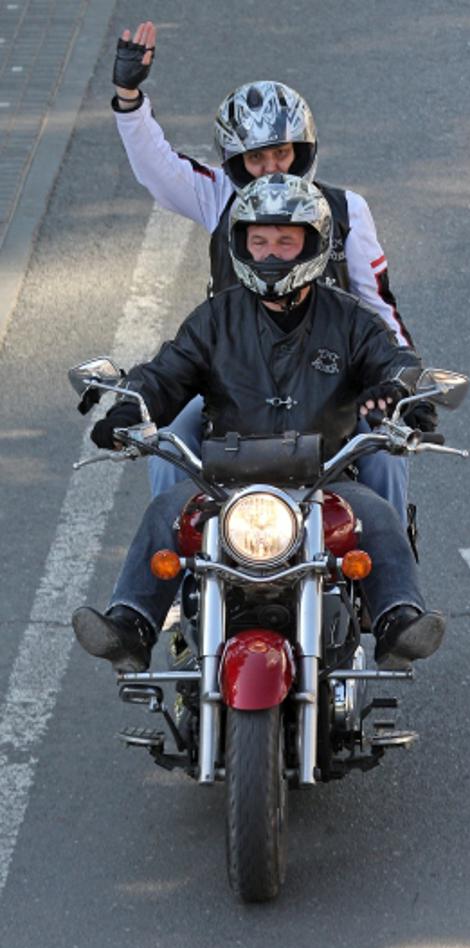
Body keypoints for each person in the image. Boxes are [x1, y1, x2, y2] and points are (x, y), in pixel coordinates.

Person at [72, 174, 445, 674]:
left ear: (313, 245)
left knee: (375, 514)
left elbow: (393, 360)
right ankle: (131, 624)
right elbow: (166, 373)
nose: (271, 253)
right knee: (165, 511)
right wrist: (129, 408)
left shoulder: (348, 318)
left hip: (324, 480)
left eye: (286, 241)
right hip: (223, 482)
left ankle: (398, 619)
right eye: (259, 241)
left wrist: (403, 393)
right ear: (241, 245)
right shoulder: (215, 318)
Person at [111, 21, 413, 520]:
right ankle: (177, 557)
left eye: (281, 153)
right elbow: (158, 168)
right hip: (234, 386)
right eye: (256, 158)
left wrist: (404, 385)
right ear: (235, 162)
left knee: (385, 453)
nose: (272, 168)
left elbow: (379, 307)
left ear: (302, 151)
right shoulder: (218, 199)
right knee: (166, 448)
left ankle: (392, 562)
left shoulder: (346, 210)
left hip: (333, 386)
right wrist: (129, 100)